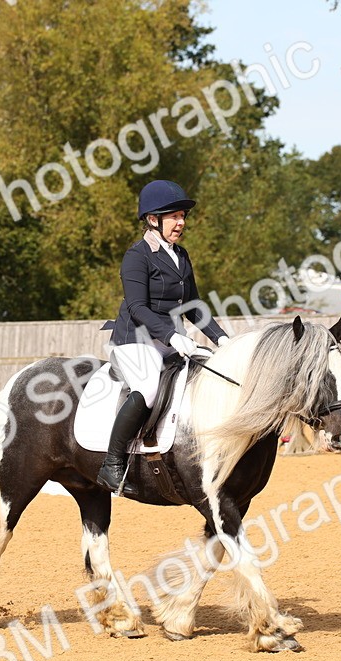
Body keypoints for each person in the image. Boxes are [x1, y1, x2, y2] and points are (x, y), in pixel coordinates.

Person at [96, 179, 230, 492]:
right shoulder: (137, 256)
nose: (181, 222)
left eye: (183, 216)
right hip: (135, 339)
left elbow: (194, 307)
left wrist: (222, 339)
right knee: (147, 387)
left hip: (170, 340)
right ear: (153, 219)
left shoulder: (181, 256)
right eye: (174, 216)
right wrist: (172, 336)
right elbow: (138, 307)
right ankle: (112, 463)